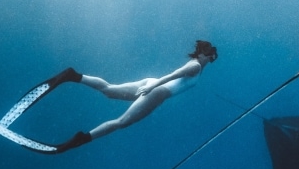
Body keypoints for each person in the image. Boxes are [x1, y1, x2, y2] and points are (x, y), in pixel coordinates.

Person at [48, 40, 218, 153]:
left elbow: (175, 76)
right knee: (122, 122)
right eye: (211, 54)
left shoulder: (195, 65)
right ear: (206, 55)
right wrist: (153, 87)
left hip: (153, 84)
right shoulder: (195, 67)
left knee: (109, 90)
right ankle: (82, 139)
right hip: (157, 91)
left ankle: (73, 76)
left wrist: (152, 84)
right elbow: (174, 75)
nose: (211, 58)